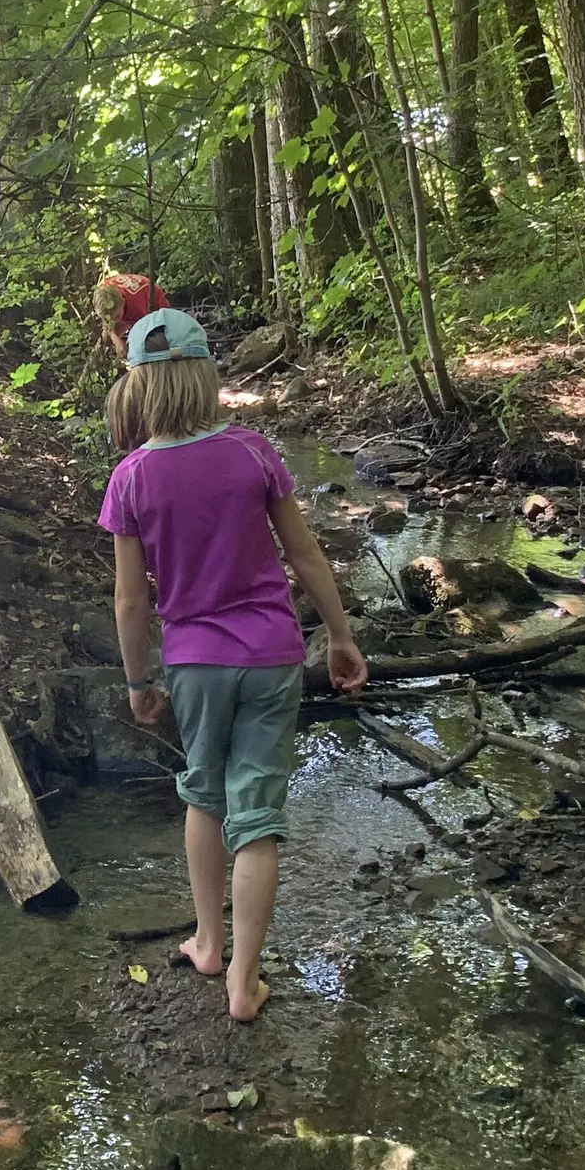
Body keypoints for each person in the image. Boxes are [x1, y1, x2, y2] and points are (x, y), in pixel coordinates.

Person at [99, 309, 368, 1023]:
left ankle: (208, 942)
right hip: (273, 654)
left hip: (194, 663)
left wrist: (137, 681)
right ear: (206, 375)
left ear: (139, 387)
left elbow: (130, 601)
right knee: (259, 816)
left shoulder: (130, 478)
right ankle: (243, 985)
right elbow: (305, 555)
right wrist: (339, 636)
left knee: (203, 794)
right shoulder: (254, 452)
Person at [92, 265, 169, 362]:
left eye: (116, 316)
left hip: (153, 302)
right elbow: (108, 322)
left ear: (123, 302)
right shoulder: (102, 293)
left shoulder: (136, 306)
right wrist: (116, 341)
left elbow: (142, 331)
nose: (113, 321)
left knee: (152, 342)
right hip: (128, 304)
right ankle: (97, 359)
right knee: (108, 338)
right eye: (109, 318)